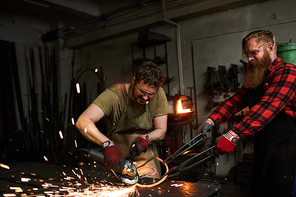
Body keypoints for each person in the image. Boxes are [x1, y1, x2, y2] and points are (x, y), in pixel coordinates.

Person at [197, 30, 296, 196]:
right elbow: (236, 101)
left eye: (253, 53)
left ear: (270, 46)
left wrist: (233, 135)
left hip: (288, 150)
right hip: (264, 148)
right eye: (246, 55)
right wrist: (211, 120)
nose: (249, 59)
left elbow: (268, 106)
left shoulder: (288, 72)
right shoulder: (257, 76)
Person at [75, 61, 169, 178]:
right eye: (142, 91)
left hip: (147, 165)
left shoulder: (159, 95)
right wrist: (107, 144)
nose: (145, 97)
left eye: (150, 94)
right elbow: (83, 121)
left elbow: (161, 130)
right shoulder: (114, 95)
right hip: (118, 162)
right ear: (134, 81)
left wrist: (146, 139)